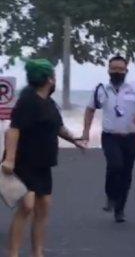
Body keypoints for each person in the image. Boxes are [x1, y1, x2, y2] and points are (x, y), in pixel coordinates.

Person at [1, 59, 86, 257]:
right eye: (53, 76)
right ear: (49, 79)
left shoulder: (49, 103)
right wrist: (10, 159)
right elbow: (13, 130)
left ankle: (37, 252)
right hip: (24, 162)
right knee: (27, 205)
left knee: (44, 207)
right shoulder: (27, 101)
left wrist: (75, 140)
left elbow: (58, 127)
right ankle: (13, 253)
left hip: (43, 163)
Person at [82, 55, 135, 223]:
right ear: (108, 70)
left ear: (126, 70)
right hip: (110, 137)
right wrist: (86, 132)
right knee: (115, 165)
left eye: (121, 69)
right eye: (114, 69)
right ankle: (110, 195)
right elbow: (90, 109)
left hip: (130, 137)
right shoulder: (101, 89)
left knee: (126, 173)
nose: (117, 72)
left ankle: (119, 210)